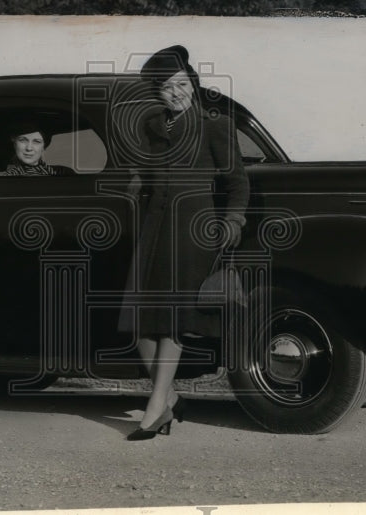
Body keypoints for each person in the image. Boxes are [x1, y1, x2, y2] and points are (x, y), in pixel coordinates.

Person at [121, 45, 250, 440]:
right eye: (165, 88)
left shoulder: (215, 125)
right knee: (139, 327)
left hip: (192, 232)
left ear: (192, 83)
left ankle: (155, 408)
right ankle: (172, 400)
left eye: (180, 84)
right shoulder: (153, 128)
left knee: (170, 324)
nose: (175, 93)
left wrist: (232, 220)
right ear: (156, 93)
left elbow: (238, 182)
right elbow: (145, 173)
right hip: (154, 231)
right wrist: (137, 183)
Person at [2, 117, 72, 176]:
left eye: (36, 142)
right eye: (23, 140)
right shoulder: (5, 177)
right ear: (14, 142)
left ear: (43, 147)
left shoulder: (63, 173)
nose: (29, 148)